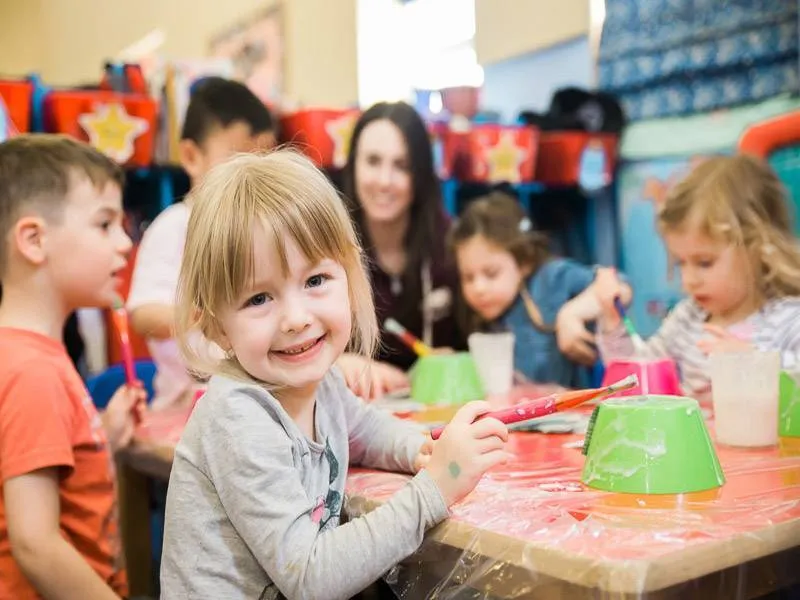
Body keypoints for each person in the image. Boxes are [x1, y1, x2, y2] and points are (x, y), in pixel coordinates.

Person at [160, 151, 509, 599]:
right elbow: (310, 577)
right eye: (258, 299)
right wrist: (435, 488)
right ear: (215, 328)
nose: (295, 318)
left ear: (349, 276)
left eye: (315, 281)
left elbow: (362, 428)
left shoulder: (318, 384)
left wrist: (422, 450)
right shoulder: (238, 416)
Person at [0, 135, 145, 599]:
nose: (125, 243)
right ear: (34, 240)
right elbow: (36, 544)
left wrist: (102, 434)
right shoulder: (31, 372)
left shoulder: (28, 356)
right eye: (104, 225)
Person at [127, 76, 275, 411]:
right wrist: (205, 314)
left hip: (255, 402)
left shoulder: (265, 232)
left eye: (266, 164)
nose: (253, 178)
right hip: (185, 407)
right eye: (239, 161)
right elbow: (144, 316)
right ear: (192, 157)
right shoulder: (174, 226)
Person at [597, 154, 800, 395]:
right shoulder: (688, 319)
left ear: (757, 250)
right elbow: (635, 381)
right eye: (681, 263)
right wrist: (613, 322)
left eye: (704, 263)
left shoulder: (788, 321)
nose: (689, 280)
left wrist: (754, 361)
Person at [339, 101, 464, 399]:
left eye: (401, 166)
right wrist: (335, 364)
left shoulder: (453, 245)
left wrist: (460, 360)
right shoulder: (323, 246)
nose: (384, 181)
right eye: (372, 161)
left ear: (420, 174)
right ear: (353, 164)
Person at [449, 191, 630, 388]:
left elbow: (618, 286)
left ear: (523, 262)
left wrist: (571, 314)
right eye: (467, 277)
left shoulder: (552, 280)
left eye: (491, 273)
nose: (479, 288)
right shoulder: (480, 317)